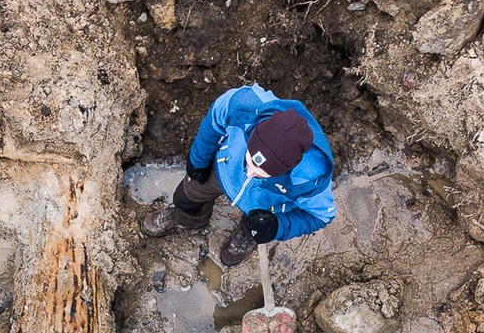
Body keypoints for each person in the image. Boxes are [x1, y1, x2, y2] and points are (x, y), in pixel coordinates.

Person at [139, 83, 337, 268]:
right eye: (249, 160)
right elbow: (214, 121)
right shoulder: (244, 104)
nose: (249, 172)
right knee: (188, 194)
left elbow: (319, 216)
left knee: (255, 224)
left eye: (260, 173)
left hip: (266, 201)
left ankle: (246, 234)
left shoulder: (312, 177)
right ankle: (188, 218)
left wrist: (276, 226)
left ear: (287, 169)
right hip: (225, 168)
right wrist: (198, 161)